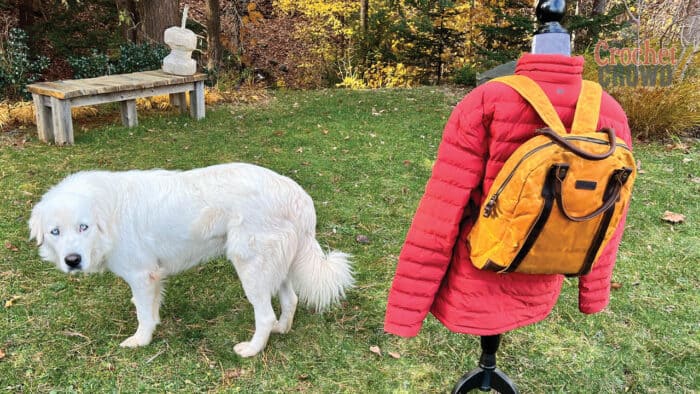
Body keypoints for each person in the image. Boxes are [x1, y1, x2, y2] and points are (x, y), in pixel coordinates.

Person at [383, 52, 633, 339]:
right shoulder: (610, 111)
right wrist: (593, 296)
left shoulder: (487, 100)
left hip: (478, 277)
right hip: (544, 277)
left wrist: (406, 313)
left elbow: (441, 211)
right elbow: (610, 216)